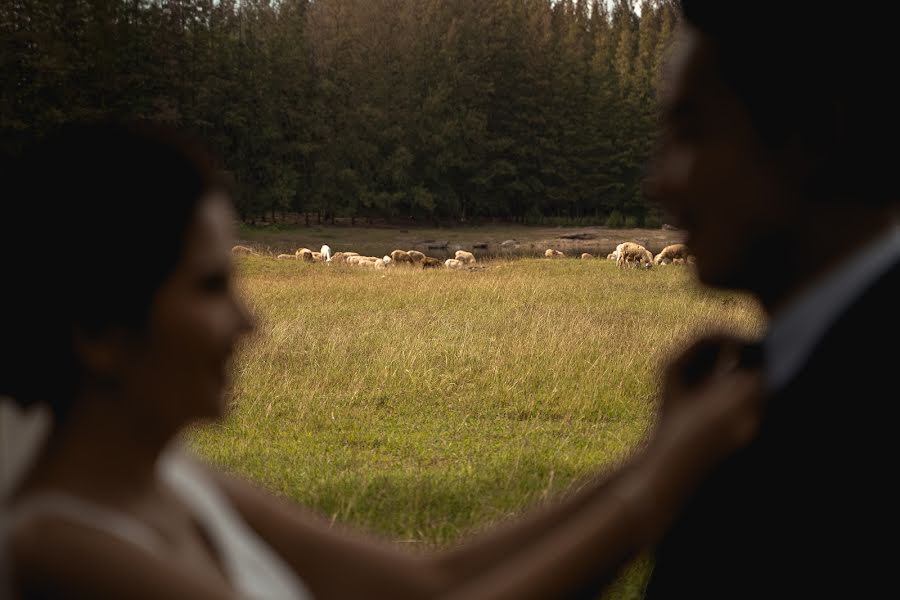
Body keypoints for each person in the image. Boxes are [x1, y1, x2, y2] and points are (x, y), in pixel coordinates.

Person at [0, 122, 762, 599]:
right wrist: (661, 488)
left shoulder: (182, 483)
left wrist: (650, 455)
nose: (249, 322)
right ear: (99, 331)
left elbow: (431, 581)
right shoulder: (59, 553)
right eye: (210, 287)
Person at [624, 1, 899, 597]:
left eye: (692, 131)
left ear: (815, 135)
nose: (659, 182)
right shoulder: (757, 385)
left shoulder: (831, 432)